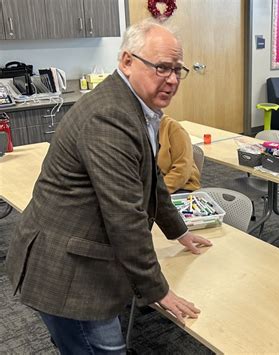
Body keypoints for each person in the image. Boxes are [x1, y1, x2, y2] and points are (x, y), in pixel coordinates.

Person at [6, 19, 212, 353]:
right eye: (161, 67)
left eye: (177, 69)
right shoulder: (110, 117)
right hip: (67, 273)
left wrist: (178, 231)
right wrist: (158, 290)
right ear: (127, 61)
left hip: (73, 254)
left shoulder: (135, 106)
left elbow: (150, 179)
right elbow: (125, 216)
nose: (172, 80)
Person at [157, 115, 201, 194]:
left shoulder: (172, 127)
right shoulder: (133, 131)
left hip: (179, 187)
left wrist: (154, 192)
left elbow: (181, 171)